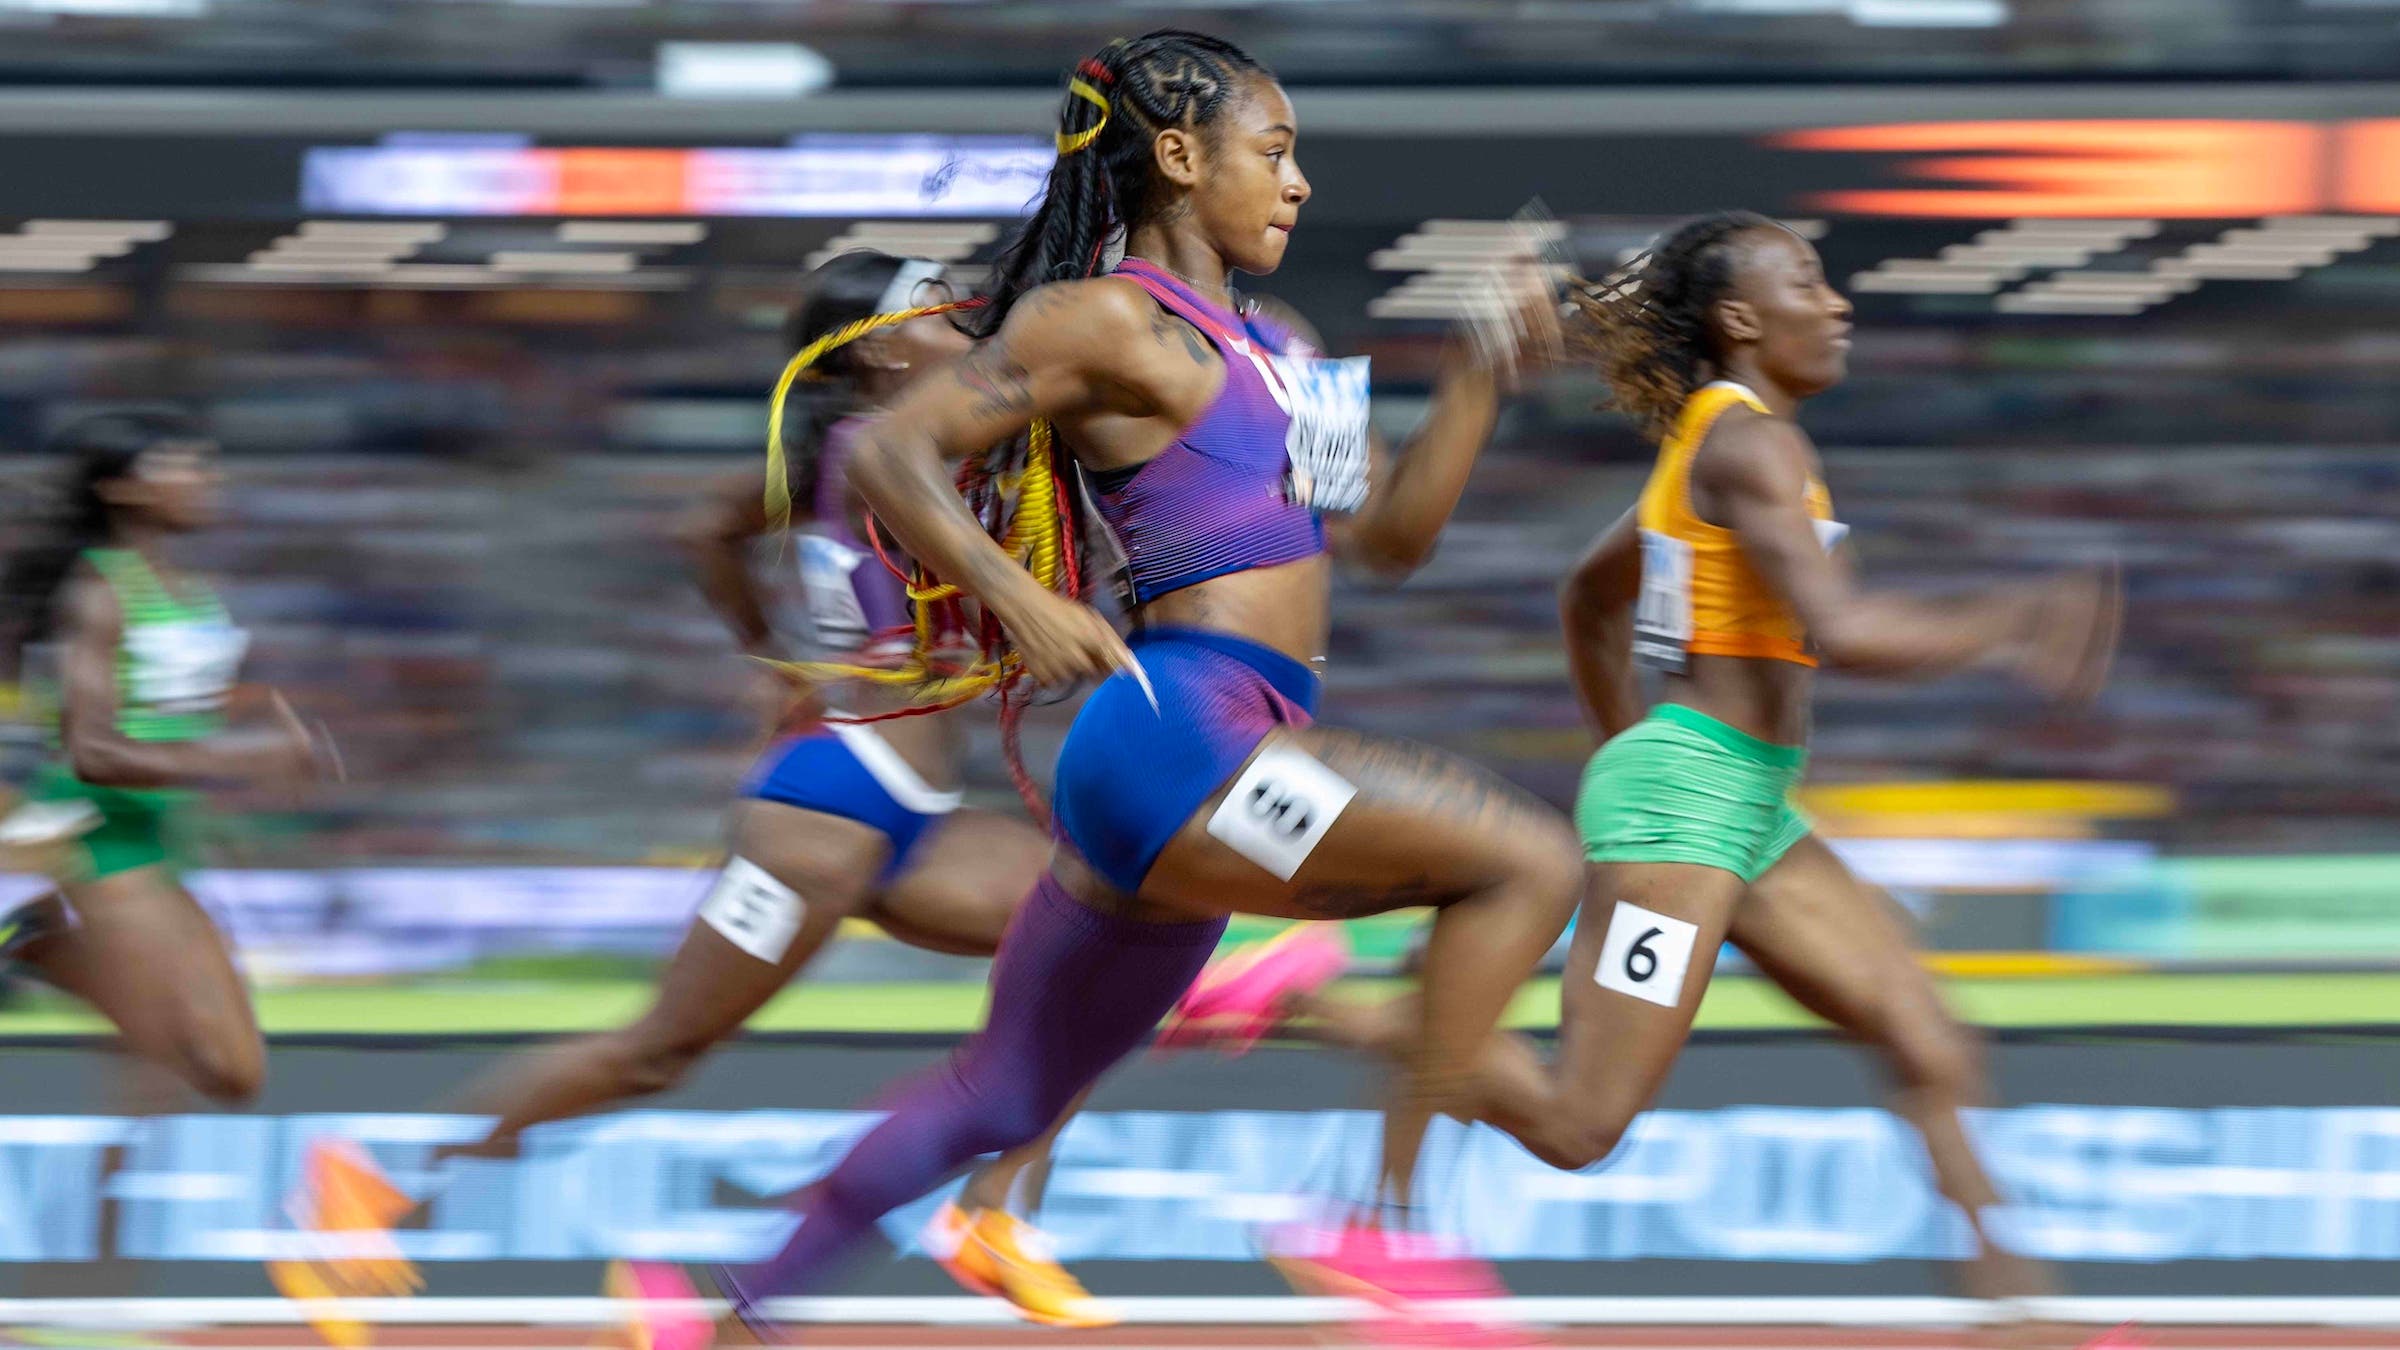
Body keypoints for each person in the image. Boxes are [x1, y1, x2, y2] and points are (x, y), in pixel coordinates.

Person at [614, 28, 1580, 1350]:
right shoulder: (1102, 319)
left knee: (1002, 1094)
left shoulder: (1289, 339)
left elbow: (1390, 539)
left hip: (1202, 752)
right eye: (1276, 151)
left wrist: (1479, 372)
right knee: (1525, 860)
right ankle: (1383, 1218)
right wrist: (1016, 594)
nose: (1299, 184)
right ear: (1181, 158)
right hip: (1180, 734)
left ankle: (732, 1315)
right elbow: (893, 445)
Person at [1184, 211, 2122, 1336]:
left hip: (1741, 800)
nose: (1839, 307)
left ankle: (2023, 1311)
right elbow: (1840, 626)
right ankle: (1302, 998)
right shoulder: (1748, 448)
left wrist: (1626, 745)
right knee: (1580, 1124)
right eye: (1812, 285)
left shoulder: (1721, 443)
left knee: (1925, 1036)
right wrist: (2011, 621)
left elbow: (1589, 596)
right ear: (1740, 320)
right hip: (1690, 806)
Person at [270, 252, 1113, 1337]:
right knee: (660, 1050)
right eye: (941, 316)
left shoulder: (856, 451)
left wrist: (782, 650)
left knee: (1100, 945)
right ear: (875, 352)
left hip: (915, 812)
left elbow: (705, 532)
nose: (969, 331)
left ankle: (993, 1212)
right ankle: (377, 1177)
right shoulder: (878, 449)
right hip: (826, 809)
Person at [0, 410, 325, 1102]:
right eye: (182, 464)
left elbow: (167, 721)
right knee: (156, 1075)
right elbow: (92, 751)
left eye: (206, 464)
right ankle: (39, 947)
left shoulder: (189, 590)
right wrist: (246, 760)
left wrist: (228, 783)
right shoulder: (99, 592)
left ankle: (40, 945)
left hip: (158, 838)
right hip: (93, 836)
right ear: (122, 489)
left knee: (235, 1072)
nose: (207, 479)